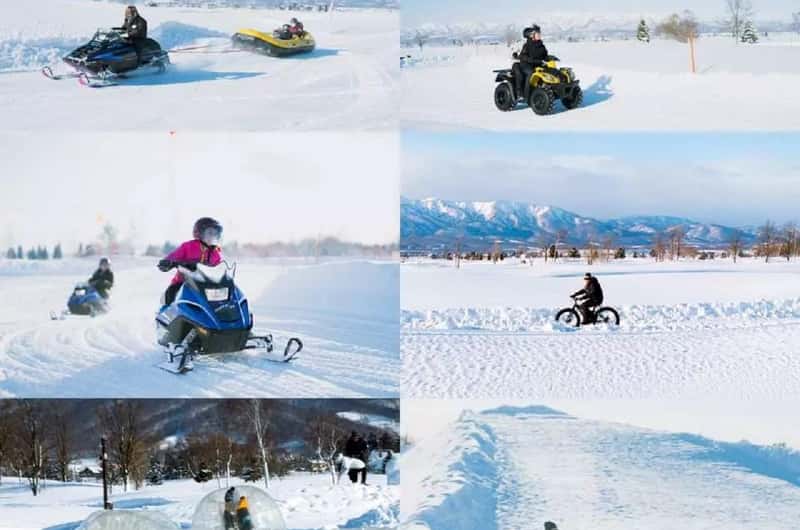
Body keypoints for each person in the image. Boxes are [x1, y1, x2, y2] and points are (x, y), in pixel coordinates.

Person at [158, 217, 223, 306]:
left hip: (207, 285)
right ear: (199, 233)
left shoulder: (215, 253)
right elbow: (174, 256)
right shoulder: (188, 246)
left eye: (216, 234)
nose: (213, 236)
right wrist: (168, 262)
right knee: (171, 293)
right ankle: (167, 310)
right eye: (210, 233)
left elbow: (219, 268)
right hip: (183, 282)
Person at [512, 24, 548, 97]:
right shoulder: (527, 45)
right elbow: (524, 57)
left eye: (539, 33)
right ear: (531, 35)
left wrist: (550, 58)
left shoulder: (541, 45)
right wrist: (535, 61)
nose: (539, 35)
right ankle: (525, 94)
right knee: (531, 73)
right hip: (526, 65)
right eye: (537, 33)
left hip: (537, 64)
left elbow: (545, 55)